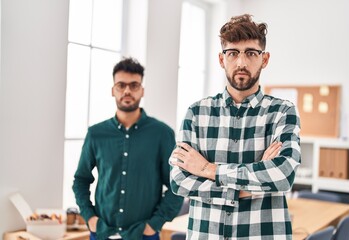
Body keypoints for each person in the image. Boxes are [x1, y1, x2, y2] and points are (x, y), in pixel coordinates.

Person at [170, 14, 301, 240]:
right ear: (222, 60)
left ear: (265, 59)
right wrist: (251, 183)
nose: (241, 62)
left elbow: (282, 175)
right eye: (233, 53)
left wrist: (208, 170)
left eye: (251, 53)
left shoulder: (283, 112)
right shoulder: (196, 113)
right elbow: (179, 181)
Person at [73, 57, 183, 240]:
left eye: (134, 85)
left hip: (143, 235)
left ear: (142, 90)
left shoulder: (162, 134)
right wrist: (89, 217)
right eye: (121, 85)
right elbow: (80, 180)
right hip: (101, 234)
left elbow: (176, 185)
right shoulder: (96, 134)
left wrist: (154, 225)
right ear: (112, 90)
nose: (127, 91)